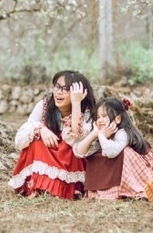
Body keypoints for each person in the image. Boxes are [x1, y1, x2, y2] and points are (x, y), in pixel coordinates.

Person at [8, 70, 96, 199]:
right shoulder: (44, 106)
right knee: (36, 142)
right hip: (48, 152)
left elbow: (76, 141)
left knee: (67, 147)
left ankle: (62, 188)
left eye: (66, 89)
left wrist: (76, 104)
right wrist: (41, 129)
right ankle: (39, 186)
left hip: (70, 158)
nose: (59, 92)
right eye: (57, 86)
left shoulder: (86, 112)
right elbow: (21, 137)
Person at [74, 97, 153, 200]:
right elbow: (78, 152)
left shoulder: (123, 133)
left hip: (135, 169)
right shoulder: (101, 133)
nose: (100, 120)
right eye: (98, 117)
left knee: (124, 152)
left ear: (118, 119)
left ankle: (125, 189)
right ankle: (104, 190)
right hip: (113, 168)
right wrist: (95, 133)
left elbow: (111, 152)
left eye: (104, 116)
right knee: (95, 155)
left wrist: (102, 136)